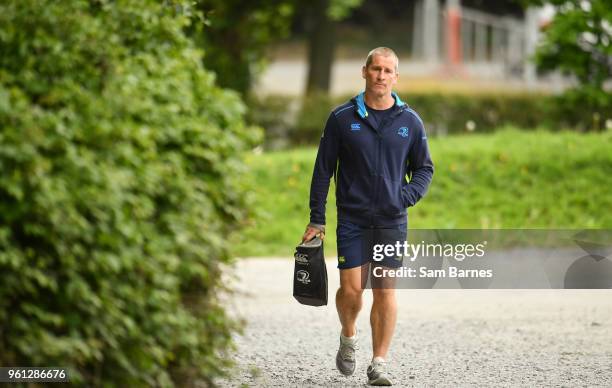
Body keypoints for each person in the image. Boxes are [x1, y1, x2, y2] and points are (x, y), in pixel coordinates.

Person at [301, 47, 434, 386]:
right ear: (364, 72)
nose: (381, 75)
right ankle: (348, 336)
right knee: (352, 291)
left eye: (388, 71)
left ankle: (379, 363)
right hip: (353, 220)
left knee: (385, 290)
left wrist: (404, 196)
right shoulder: (342, 118)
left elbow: (424, 168)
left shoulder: (410, 121)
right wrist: (317, 220)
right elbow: (322, 171)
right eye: (376, 69)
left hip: (391, 221)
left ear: (396, 77)